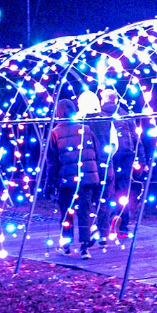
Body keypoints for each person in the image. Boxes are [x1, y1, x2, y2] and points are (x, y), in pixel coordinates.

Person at [49, 97, 100, 259]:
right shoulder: (85, 129)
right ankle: (85, 247)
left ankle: (66, 245)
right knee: (84, 211)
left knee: (67, 213)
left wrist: (49, 184)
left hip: (66, 181)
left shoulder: (55, 133)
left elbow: (52, 162)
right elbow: (97, 153)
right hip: (87, 178)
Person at [93, 88, 141, 242]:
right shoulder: (125, 115)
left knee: (106, 192)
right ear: (115, 99)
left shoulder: (98, 116)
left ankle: (107, 223)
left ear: (103, 99)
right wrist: (141, 160)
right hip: (126, 158)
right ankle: (123, 227)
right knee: (123, 193)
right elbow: (137, 139)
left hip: (108, 157)